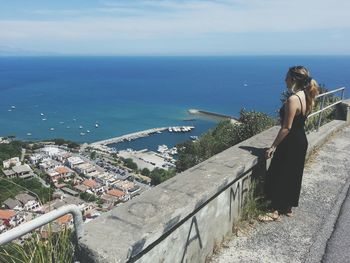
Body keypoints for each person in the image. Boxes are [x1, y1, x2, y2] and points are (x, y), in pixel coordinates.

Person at [261, 66, 319, 221]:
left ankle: (274, 210)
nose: (284, 80)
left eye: (286, 77)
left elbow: (286, 127)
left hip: (291, 141)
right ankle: (287, 207)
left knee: (280, 171)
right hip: (301, 140)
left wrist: (273, 147)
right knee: (293, 174)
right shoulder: (306, 96)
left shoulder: (293, 99)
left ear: (293, 79)